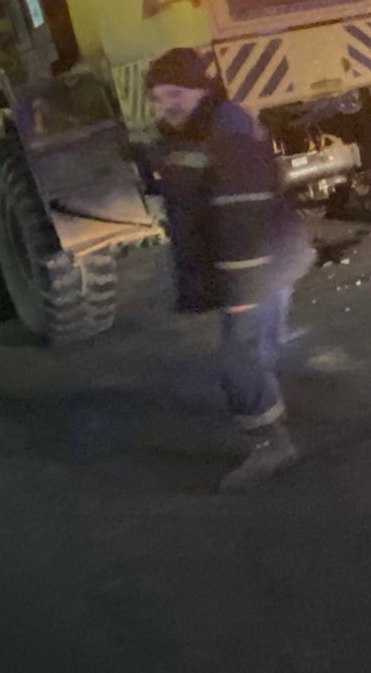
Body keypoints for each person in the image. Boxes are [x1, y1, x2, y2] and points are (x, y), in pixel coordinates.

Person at [145, 46, 313, 491]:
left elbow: (243, 213)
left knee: (236, 358)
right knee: (261, 342)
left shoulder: (228, 127)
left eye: (176, 92)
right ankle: (276, 388)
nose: (166, 105)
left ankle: (269, 443)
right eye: (158, 97)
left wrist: (240, 290)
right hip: (271, 258)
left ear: (201, 90)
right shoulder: (189, 133)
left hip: (258, 262)